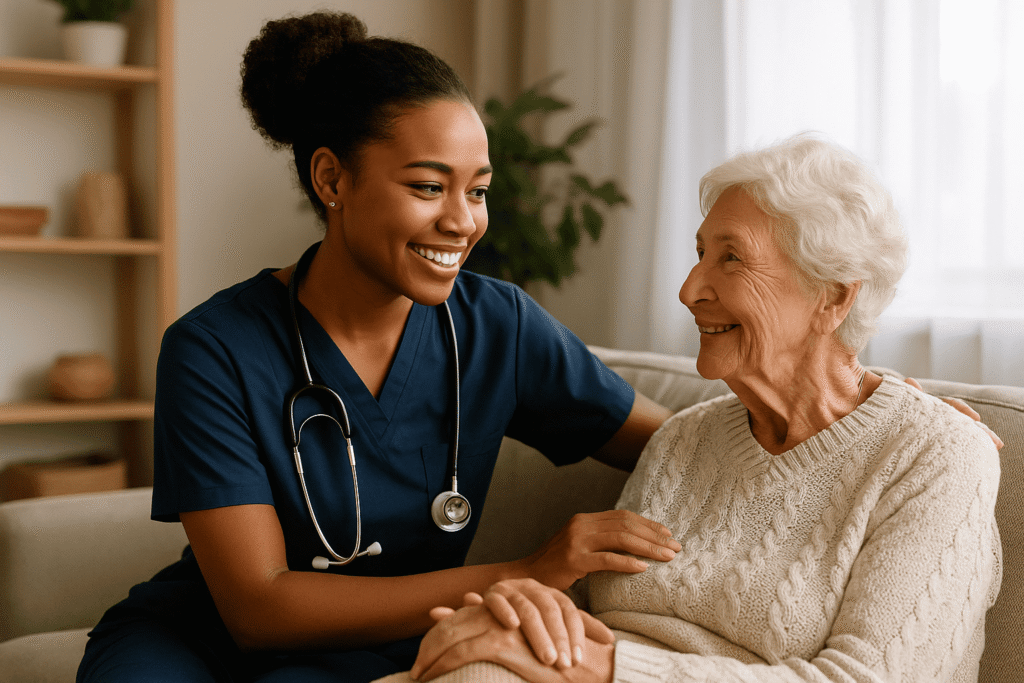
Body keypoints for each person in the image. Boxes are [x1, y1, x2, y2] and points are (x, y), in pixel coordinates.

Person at [75, 11, 680, 683]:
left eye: (477, 190)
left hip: (384, 647)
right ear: (331, 180)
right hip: (196, 640)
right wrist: (525, 571)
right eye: (428, 186)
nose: (462, 220)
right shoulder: (213, 349)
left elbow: (680, 445)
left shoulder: (498, 326)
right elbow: (258, 604)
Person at [403, 135, 1003, 683]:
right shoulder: (683, 439)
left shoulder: (936, 453)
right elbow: (593, 620)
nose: (690, 290)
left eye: (732, 259)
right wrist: (534, 612)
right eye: (699, 254)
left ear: (832, 296)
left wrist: (605, 665)